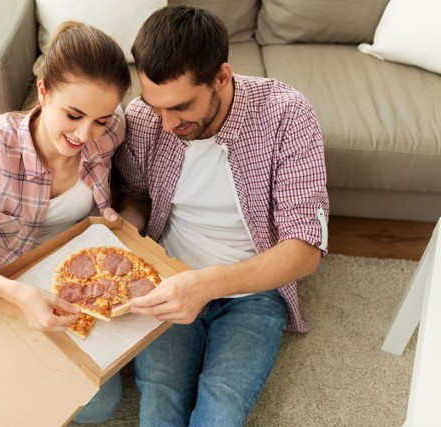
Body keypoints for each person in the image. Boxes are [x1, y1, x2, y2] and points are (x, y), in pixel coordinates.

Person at [113, 5, 329, 426]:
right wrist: (125, 223)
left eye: (181, 107)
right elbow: (138, 197)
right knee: (159, 397)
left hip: (254, 293)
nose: (166, 122)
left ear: (222, 77)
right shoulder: (144, 119)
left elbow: (305, 249)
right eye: (156, 106)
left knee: (221, 408)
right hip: (167, 277)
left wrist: (207, 284)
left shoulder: (287, 115)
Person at [0, 21, 130, 424]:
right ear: (44, 90)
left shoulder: (113, 127)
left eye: (100, 120)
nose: (86, 133)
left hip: (72, 279)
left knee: (100, 407)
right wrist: (17, 294)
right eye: (73, 114)